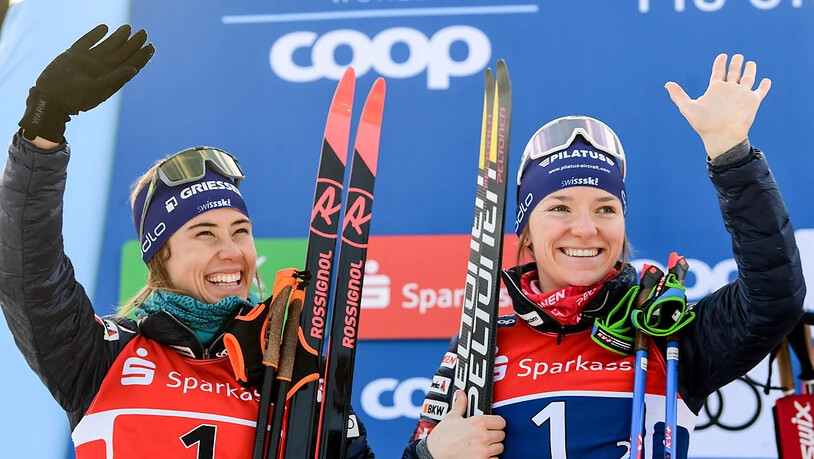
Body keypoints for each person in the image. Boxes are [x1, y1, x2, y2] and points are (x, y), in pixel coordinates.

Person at [402, 53, 805, 458]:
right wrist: (428, 456)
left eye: (605, 208)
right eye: (559, 207)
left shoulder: (668, 334)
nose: (585, 228)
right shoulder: (480, 345)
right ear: (526, 228)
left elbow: (774, 297)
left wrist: (731, 154)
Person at [0, 24, 374, 457]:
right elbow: (28, 272)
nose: (231, 251)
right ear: (162, 256)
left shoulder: (293, 372)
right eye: (204, 234)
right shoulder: (100, 358)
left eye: (240, 232)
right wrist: (43, 126)